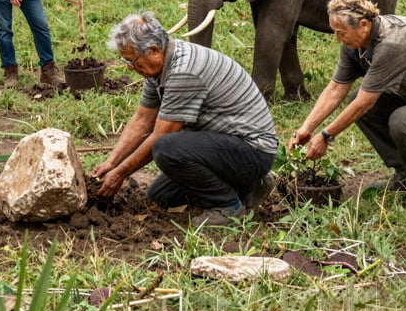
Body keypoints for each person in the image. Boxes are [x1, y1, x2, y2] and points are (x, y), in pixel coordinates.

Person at [93, 11, 278, 226]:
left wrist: (119, 175)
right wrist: (111, 163)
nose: (129, 67)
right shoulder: (159, 69)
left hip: (253, 150)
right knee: (160, 195)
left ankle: (227, 206)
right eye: (125, 60)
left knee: (165, 147)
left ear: (153, 50)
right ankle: (250, 186)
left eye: (132, 60)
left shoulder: (184, 71)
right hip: (225, 146)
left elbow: (161, 135)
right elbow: (142, 120)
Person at [289, 0, 406, 211]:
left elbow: (365, 102)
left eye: (341, 32)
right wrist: (306, 128)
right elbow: (335, 89)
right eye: (335, 32)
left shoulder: (393, 43)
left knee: (404, 121)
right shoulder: (355, 45)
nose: (337, 38)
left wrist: (325, 136)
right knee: (358, 102)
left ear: (363, 25)